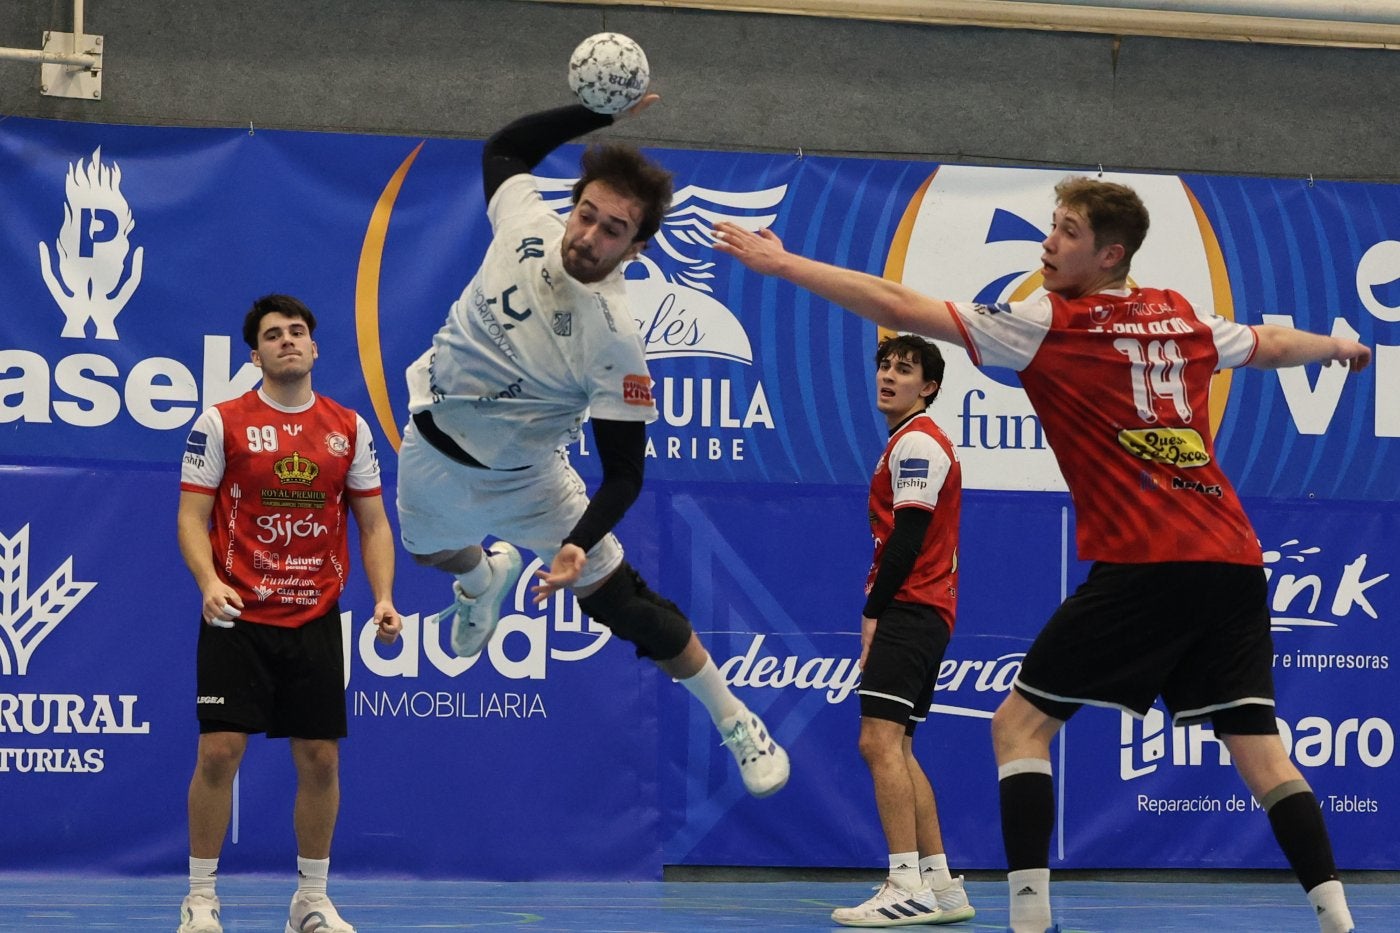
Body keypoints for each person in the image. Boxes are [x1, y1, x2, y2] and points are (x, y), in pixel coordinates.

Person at [713, 176, 1369, 933]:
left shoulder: (1049, 323)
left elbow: (898, 307)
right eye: (1050, 227)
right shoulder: (1182, 317)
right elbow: (1275, 343)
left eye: (1066, 233)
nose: (1047, 244)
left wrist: (784, 265)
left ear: (1108, 252)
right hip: (1232, 559)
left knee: (1018, 728)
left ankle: (1029, 922)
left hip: (1149, 562)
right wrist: (1341, 346)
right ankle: (1339, 919)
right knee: (1260, 750)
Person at [393, 96, 789, 799]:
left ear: (634, 249)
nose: (590, 236)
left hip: (528, 479)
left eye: (614, 230)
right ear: (570, 207)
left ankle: (736, 720)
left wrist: (576, 543)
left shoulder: (615, 343)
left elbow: (624, 475)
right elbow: (504, 147)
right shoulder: (523, 222)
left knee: (624, 605)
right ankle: (484, 578)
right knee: (428, 551)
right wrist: (595, 113)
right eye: (587, 214)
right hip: (430, 441)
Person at [176, 294, 401, 933]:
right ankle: (200, 899)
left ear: (315, 347)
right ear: (256, 354)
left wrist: (383, 597)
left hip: (315, 615)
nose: (287, 341)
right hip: (237, 614)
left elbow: (374, 522)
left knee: (321, 758)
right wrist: (208, 580)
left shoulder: (348, 428)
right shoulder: (221, 423)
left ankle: (311, 901)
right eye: (273, 335)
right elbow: (192, 518)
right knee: (219, 753)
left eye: (297, 331)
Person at [832, 334, 976, 928]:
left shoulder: (917, 442)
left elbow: (907, 539)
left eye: (905, 369)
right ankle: (939, 884)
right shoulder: (906, 440)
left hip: (912, 608)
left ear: (930, 387)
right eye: (884, 367)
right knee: (899, 746)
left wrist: (873, 611)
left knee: (877, 743)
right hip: (925, 611)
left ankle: (904, 882)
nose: (889, 376)